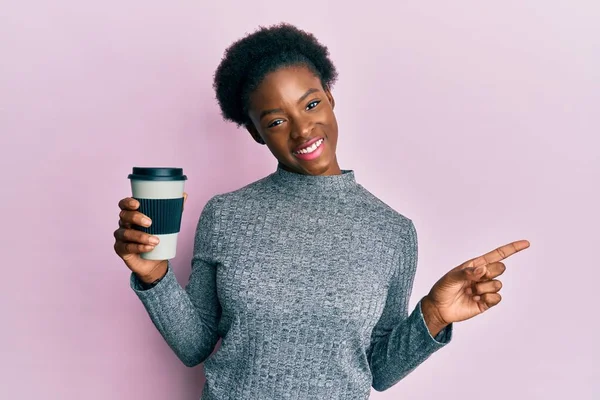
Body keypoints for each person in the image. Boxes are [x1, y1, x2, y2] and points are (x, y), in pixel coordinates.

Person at [113, 23, 530, 399]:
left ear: (330, 98)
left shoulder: (392, 232)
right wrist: (153, 276)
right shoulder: (225, 215)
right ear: (257, 133)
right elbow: (194, 347)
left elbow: (379, 371)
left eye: (310, 105)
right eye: (276, 121)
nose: (302, 129)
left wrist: (434, 315)